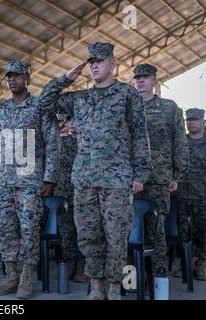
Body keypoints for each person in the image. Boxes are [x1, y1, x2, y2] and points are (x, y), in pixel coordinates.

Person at [38, 42, 152, 300]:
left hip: (117, 179)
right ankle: (96, 286)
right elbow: (44, 103)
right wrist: (68, 77)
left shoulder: (126, 94)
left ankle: (113, 287)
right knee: (89, 236)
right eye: (91, 62)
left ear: (113, 63)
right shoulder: (79, 98)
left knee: (116, 236)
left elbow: (139, 134)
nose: (95, 65)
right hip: (85, 179)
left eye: (100, 61)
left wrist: (140, 174)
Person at [0, 59, 61, 299]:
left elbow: (53, 143)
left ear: (28, 78)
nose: (12, 80)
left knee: (28, 229)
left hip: (30, 179)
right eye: (9, 76)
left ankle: (27, 278)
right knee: (5, 229)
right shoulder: (0, 107)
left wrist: (50, 179)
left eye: (17, 75)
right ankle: (11, 276)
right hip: (3, 180)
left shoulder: (40, 106)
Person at [133, 63, 189, 273]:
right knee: (130, 230)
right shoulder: (129, 106)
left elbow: (180, 142)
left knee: (156, 231)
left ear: (155, 81)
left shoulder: (169, 107)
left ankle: (157, 277)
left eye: (145, 77)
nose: (140, 80)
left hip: (159, 179)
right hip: (130, 181)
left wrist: (177, 173)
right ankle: (133, 277)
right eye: (137, 77)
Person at [53, 115, 86, 282]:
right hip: (59, 193)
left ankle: (82, 263)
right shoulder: (51, 144)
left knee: (81, 228)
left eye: (62, 121)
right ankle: (69, 260)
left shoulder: (79, 142)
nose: (60, 124)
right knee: (65, 230)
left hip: (77, 191)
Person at [174, 108, 206, 281]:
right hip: (183, 196)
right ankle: (183, 262)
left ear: (202, 121)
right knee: (184, 232)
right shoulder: (181, 143)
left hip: (203, 196)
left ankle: (201, 264)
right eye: (189, 120)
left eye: (195, 119)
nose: (191, 122)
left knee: (203, 231)